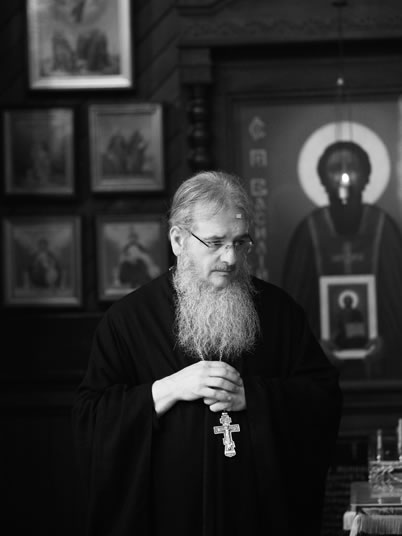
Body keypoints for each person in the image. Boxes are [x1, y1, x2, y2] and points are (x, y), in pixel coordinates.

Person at [72, 170, 342, 536]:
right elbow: (91, 419)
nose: (230, 258)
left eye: (240, 242)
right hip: (168, 518)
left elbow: (323, 399)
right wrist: (169, 389)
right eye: (215, 243)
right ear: (178, 240)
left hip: (260, 519)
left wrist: (255, 397)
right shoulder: (128, 320)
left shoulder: (280, 313)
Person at [282, 141, 402, 378]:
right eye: (335, 168)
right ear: (322, 179)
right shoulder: (309, 231)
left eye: (353, 167)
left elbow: (397, 299)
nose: (344, 177)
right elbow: (294, 304)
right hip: (321, 371)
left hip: (381, 372)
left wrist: (389, 341)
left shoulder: (383, 227)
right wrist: (314, 345)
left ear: (367, 177)